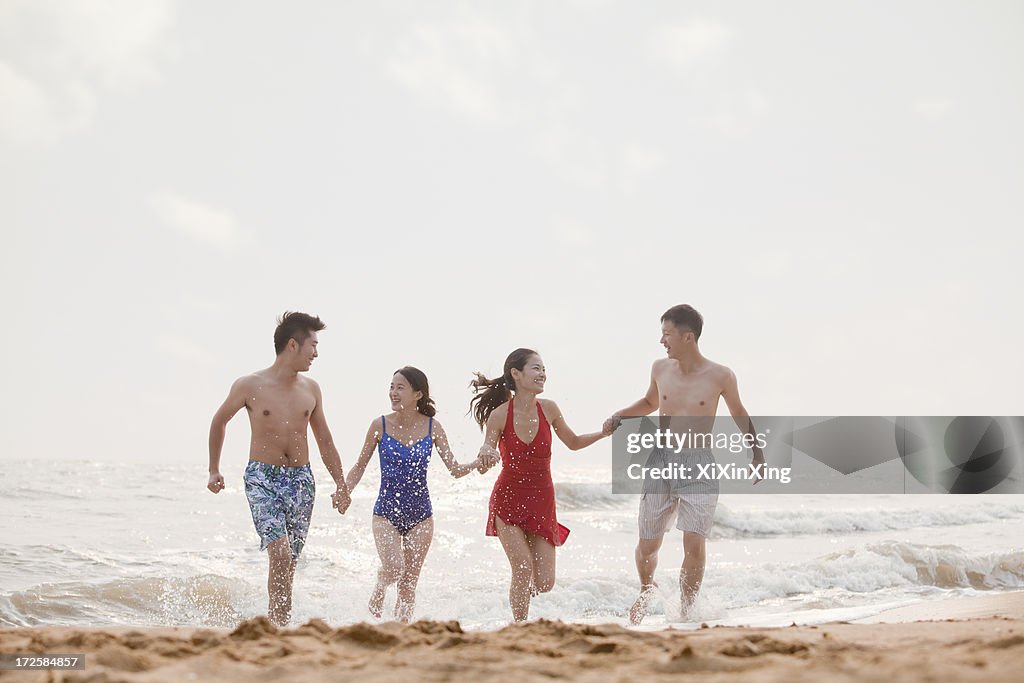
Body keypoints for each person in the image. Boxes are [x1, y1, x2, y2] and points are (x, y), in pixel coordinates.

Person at [606, 304, 764, 624]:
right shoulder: (659, 369)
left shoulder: (721, 375)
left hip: (699, 464)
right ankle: (646, 588)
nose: (662, 341)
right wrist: (621, 414)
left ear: (687, 337)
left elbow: (738, 412)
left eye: (667, 334)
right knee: (648, 545)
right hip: (661, 461)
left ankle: (686, 611)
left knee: (694, 541)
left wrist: (756, 452)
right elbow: (651, 402)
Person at [207, 311, 352, 626]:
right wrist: (213, 468)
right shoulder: (250, 385)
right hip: (262, 477)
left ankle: (280, 623)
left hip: (301, 480)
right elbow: (220, 420)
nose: (316, 353)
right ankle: (276, 624)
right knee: (281, 554)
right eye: (312, 345)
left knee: (290, 562)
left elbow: (325, 440)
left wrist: (341, 484)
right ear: (292, 345)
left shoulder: (312, 389)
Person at [472, 348, 614, 622]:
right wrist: (485, 455)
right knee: (522, 568)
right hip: (508, 499)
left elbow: (572, 442)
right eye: (536, 368)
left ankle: (520, 602)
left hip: (542, 500)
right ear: (516, 374)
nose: (543, 374)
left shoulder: (549, 409)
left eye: (543, 369)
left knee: (545, 582)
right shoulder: (500, 416)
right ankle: (520, 626)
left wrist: (603, 433)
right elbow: (487, 450)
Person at [346, 366, 481, 622]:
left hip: (421, 515)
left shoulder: (433, 427)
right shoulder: (380, 425)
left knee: (408, 585)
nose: (393, 393)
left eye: (400, 388)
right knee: (394, 569)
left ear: (418, 394)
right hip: (385, 513)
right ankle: (380, 585)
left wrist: (477, 463)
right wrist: (344, 491)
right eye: (392, 387)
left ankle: (402, 631)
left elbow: (454, 468)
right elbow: (359, 465)